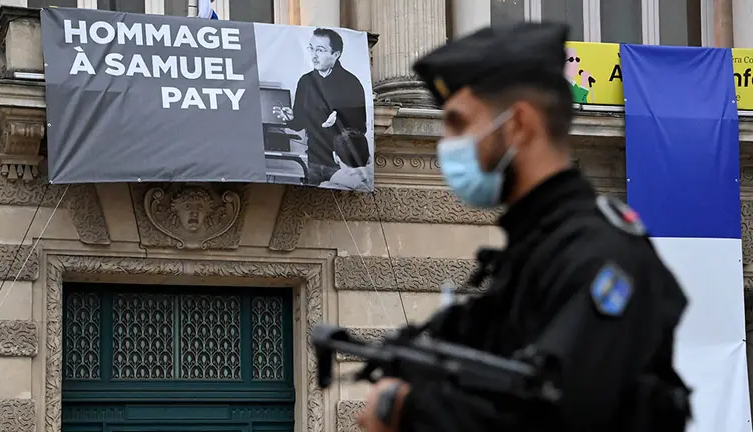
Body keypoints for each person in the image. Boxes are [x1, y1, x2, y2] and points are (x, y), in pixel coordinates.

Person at [355, 22, 692, 432]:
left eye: (459, 124)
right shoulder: (532, 251)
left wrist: (407, 410)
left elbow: (556, 414)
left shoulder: (600, 256)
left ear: (518, 125)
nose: (446, 142)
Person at [272, 28, 367, 185]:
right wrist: (291, 118)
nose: (314, 55)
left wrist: (337, 123)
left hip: (342, 164)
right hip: (313, 160)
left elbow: (360, 130)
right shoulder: (306, 81)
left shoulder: (351, 84)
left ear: (336, 54)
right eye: (312, 48)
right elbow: (300, 123)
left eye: (320, 50)